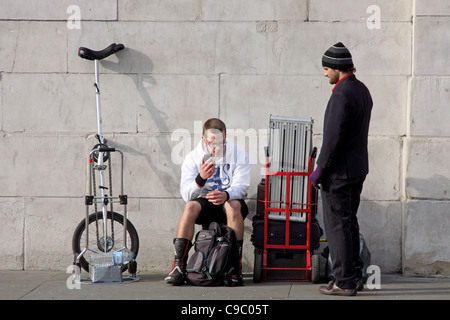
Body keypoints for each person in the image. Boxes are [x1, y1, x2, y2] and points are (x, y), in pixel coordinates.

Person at [310, 42, 373, 296]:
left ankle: (344, 281)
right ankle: (355, 276)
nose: (325, 73)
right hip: (357, 169)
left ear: (337, 68)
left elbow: (333, 138)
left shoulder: (341, 93)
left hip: (339, 173)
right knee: (349, 223)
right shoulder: (362, 90)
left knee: (336, 226)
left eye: (326, 69)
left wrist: (320, 168)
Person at [165, 118, 251, 286]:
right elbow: (186, 195)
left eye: (221, 143)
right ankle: (178, 266)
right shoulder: (192, 158)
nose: (217, 147)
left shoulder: (238, 153)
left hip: (229, 201)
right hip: (206, 203)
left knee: (233, 206)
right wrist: (200, 179)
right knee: (190, 206)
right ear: (204, 140)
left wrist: (226, 194)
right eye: (212, 143)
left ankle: (234, 267)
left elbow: (242, 187)